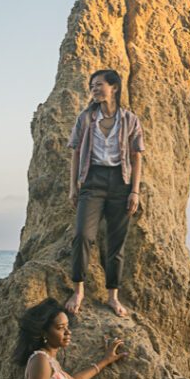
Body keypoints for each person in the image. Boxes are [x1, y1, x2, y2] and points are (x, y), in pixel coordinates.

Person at [66, 69, 145, 317]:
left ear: (114, 87)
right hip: (92, 181)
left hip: (120, 184)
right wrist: (73, 186)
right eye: (92, 86)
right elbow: (75, 152)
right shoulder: (86, 118)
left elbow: (136, 156)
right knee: (82, 236)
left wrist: (135, 191)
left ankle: (113, 296)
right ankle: (78, 290)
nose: (94, 89)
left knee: (115, 243)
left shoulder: (130, 120)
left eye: (99, 85)